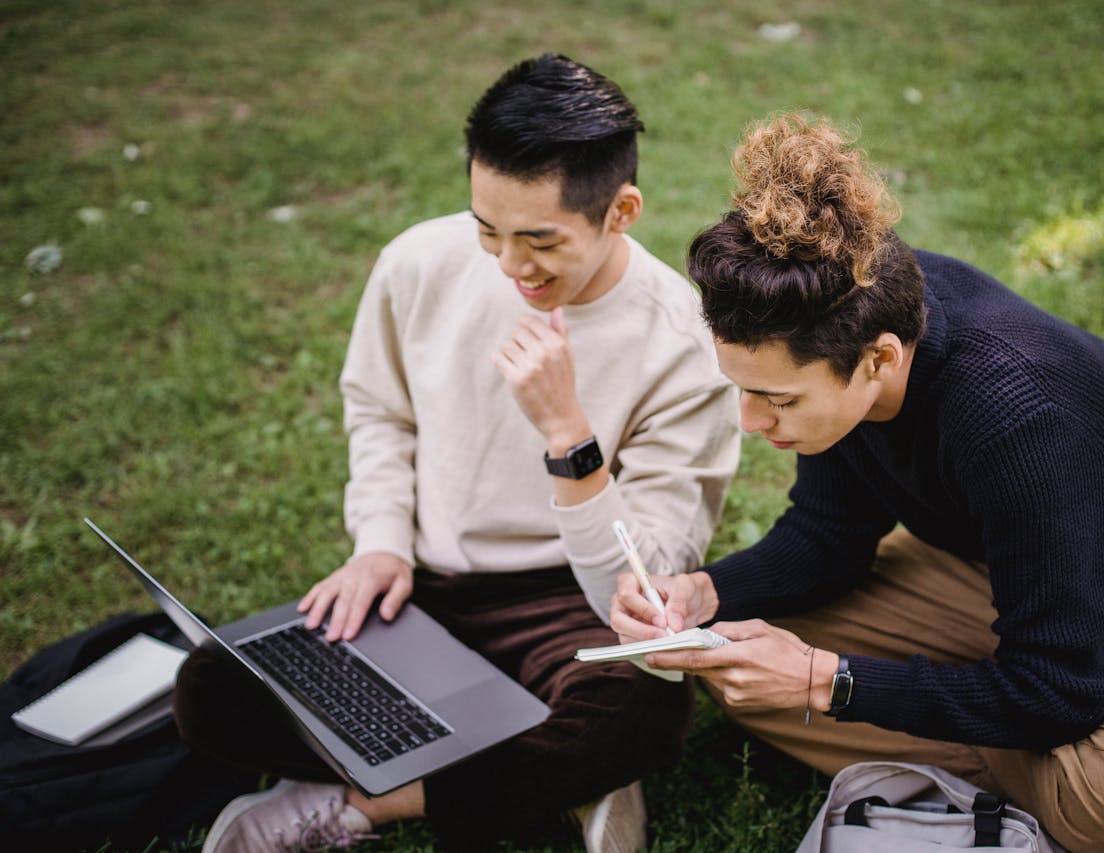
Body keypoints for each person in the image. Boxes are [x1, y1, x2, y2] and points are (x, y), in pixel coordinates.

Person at [610, 114, 1104, 853]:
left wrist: (824, 683)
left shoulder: (1022, 420)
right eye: (743, 389)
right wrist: (704, 594)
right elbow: (828, 535)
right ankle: (1002, 733)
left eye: (779, 399)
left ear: (880, 359)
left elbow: (1063, 689)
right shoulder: (845, 307)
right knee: (730, 658)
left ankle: (1041, 750)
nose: (751, 420)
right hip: (982, 563)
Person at [175, 54, 740, 853]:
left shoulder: (684, 343)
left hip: (572, 607)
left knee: (644, 703)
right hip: (429, 589)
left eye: (539, 240)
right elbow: (379, 410)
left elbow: (643, 587)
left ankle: (372, 799)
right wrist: (379, 542)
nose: (510, 266)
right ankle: (541, 779)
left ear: (622, 212)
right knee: (211, 691)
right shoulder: (419, 262)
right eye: (488, 230)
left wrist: (569, 436)